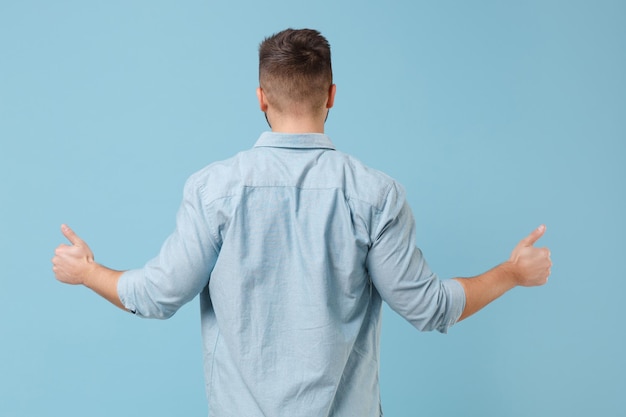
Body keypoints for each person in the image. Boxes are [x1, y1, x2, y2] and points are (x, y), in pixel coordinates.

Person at [52, 28, 551, 416]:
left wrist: (86, 272)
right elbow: (429, 308)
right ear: (331, 95)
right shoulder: (376, 195)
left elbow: (157, 296)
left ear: (261, 98)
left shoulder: (213, 190)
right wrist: (512, 273)